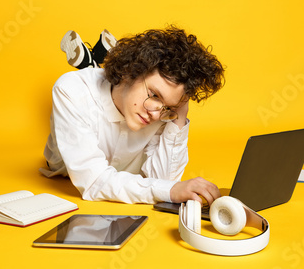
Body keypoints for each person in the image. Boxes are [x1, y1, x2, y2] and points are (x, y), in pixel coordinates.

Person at [41, 26, 225, 206]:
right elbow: (94, 181)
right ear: (130, 71)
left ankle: (98, 59)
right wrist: (167, 191)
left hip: (123, 81)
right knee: (100, 87)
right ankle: (96, 64)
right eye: (154, 95)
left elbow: (164, 180)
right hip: (60, 167)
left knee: (138, 96)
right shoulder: (71, 91)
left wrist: (180, 114)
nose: (155, 114)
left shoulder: (163, 113)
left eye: (168, 106)